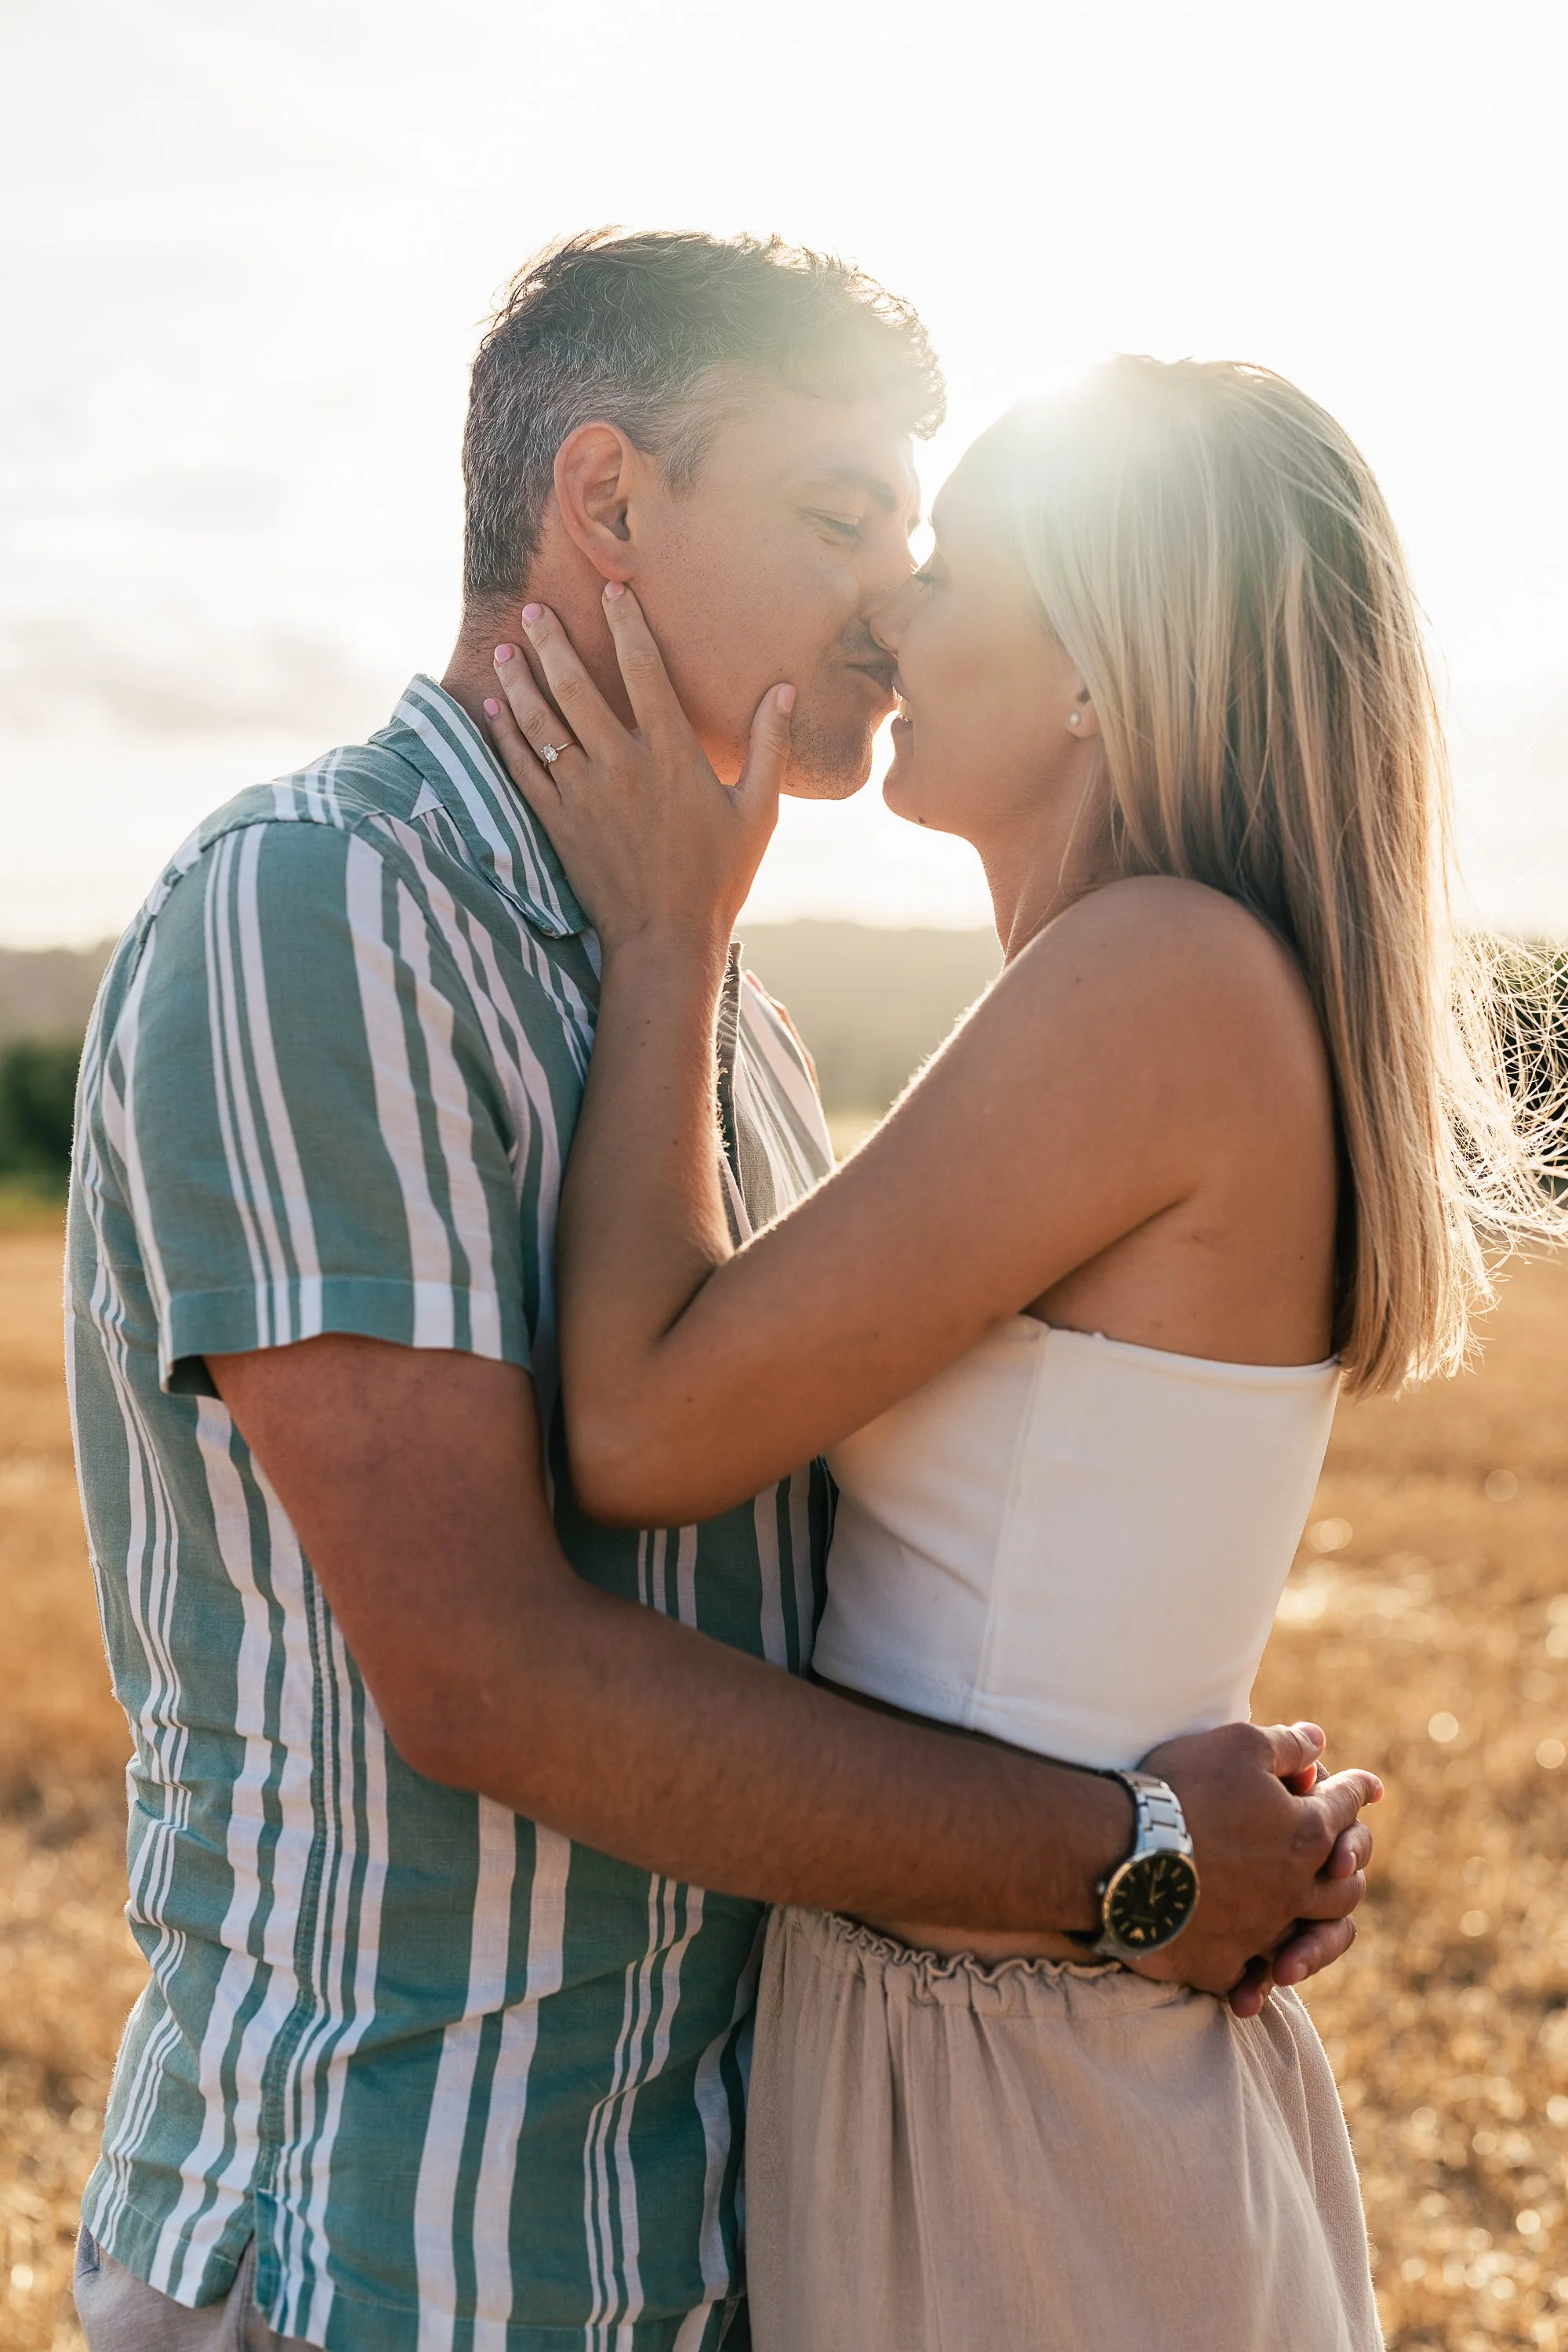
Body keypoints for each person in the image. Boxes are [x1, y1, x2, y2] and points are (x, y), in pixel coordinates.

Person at [67, 239, 1376, 2352]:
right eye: (841, 515)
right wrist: (1137, 1850)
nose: (891, 591)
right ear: (604, 505)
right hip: (395, 2241)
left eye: (925, 536)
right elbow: (484, 1675)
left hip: (710, 2232)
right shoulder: (319, 913)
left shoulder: (715, 1001)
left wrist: (1200, 1805)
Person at [481, 350, 1563, 2349]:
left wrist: (669, 935)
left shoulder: (1153, 976)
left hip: (1023, 2105)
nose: (892, 609)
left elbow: (634, 1426)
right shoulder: (1163, 979)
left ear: (1097, 671)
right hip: (999, 2042)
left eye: (955, 567)